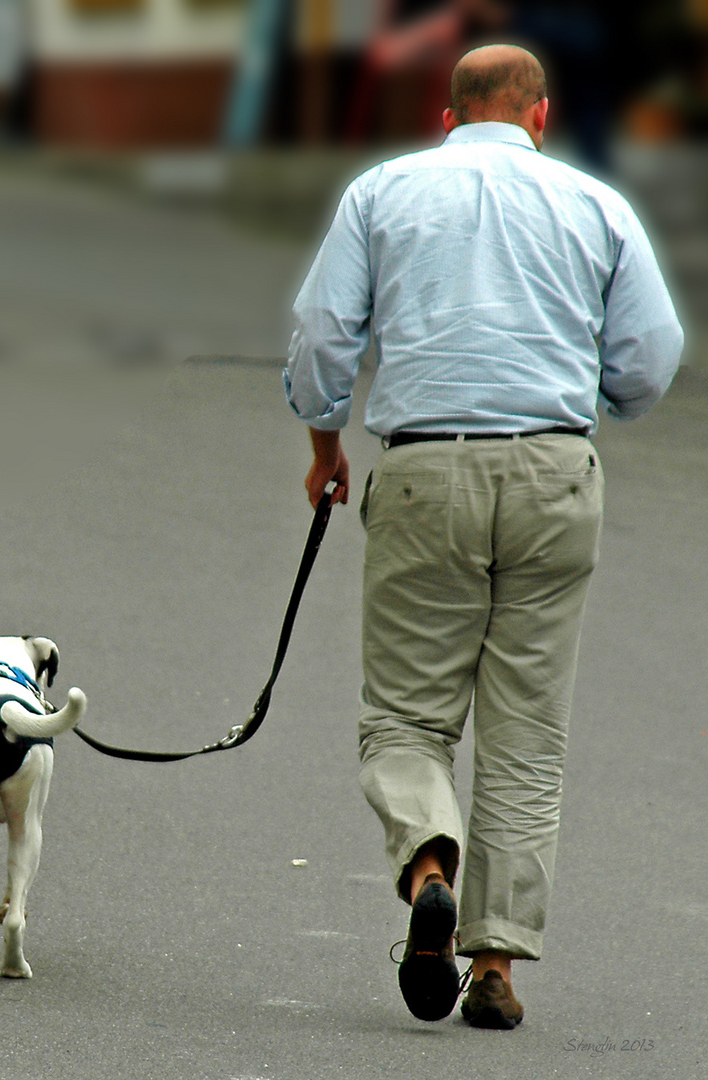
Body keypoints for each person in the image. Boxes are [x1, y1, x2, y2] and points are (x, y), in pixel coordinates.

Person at [284, 43, 683, 1029]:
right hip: (554, 471)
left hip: (425, 469)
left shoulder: (385, 192)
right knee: (526, 737)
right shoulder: (598, 209)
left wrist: (325, 442)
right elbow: (649, 362)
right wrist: (585, 400)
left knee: (407, 719)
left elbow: (325, 335)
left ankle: (430, 862)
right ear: (541, 118)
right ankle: (496, 964)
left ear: (449, 112)